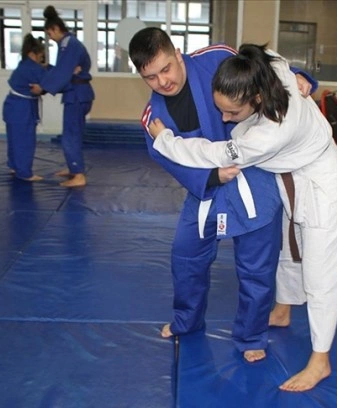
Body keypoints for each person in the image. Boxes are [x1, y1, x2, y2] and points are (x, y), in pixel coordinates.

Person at [148, 44, 337, 392]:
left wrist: (165, 140)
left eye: (232, 112)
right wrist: (302, 76)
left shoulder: (268, 135)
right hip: (289, 178)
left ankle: (321, 360)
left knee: (320, 272)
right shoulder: (272, 69)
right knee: (289, 252)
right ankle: (283, 311)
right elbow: (273, 54)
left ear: (256, 99)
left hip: (322, 185)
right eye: (220, 109)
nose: (225, 119)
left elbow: (212, 153)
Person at [128, 27, 315, 363]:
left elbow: (260, 68)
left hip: (254, 175)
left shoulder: (216, 58)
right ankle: (187, 321)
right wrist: (211, 176)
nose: (162, 82)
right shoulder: (153, 117)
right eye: (150, 78)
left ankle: (251, 336)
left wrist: (298, 76)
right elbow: (167, 157)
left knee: (257, 265)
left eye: (166, 69)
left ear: (178, 54)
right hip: (207, 187)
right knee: (185, 255)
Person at [30, 5, 94, 188]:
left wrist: (42, 87)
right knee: (74, 134)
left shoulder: (68, 44)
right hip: (79, 94)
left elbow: (63, 72)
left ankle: (78, 174)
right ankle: (73, 167)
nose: (50, 38)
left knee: (70, 135)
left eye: (50, 34)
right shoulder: (69, 44)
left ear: (56, 29)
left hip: (76, 95)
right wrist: (48, 70)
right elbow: (64, 70)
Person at [3, 34, 47, 182]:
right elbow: (49, 82)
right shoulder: (33, 68)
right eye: (40, 56)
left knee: (14, 139)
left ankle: (14, 166)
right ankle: (24, 172)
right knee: (25, 141)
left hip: (13, 105)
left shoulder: (23, 65)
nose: (41, 59)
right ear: (33, 54)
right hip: (22, 109)